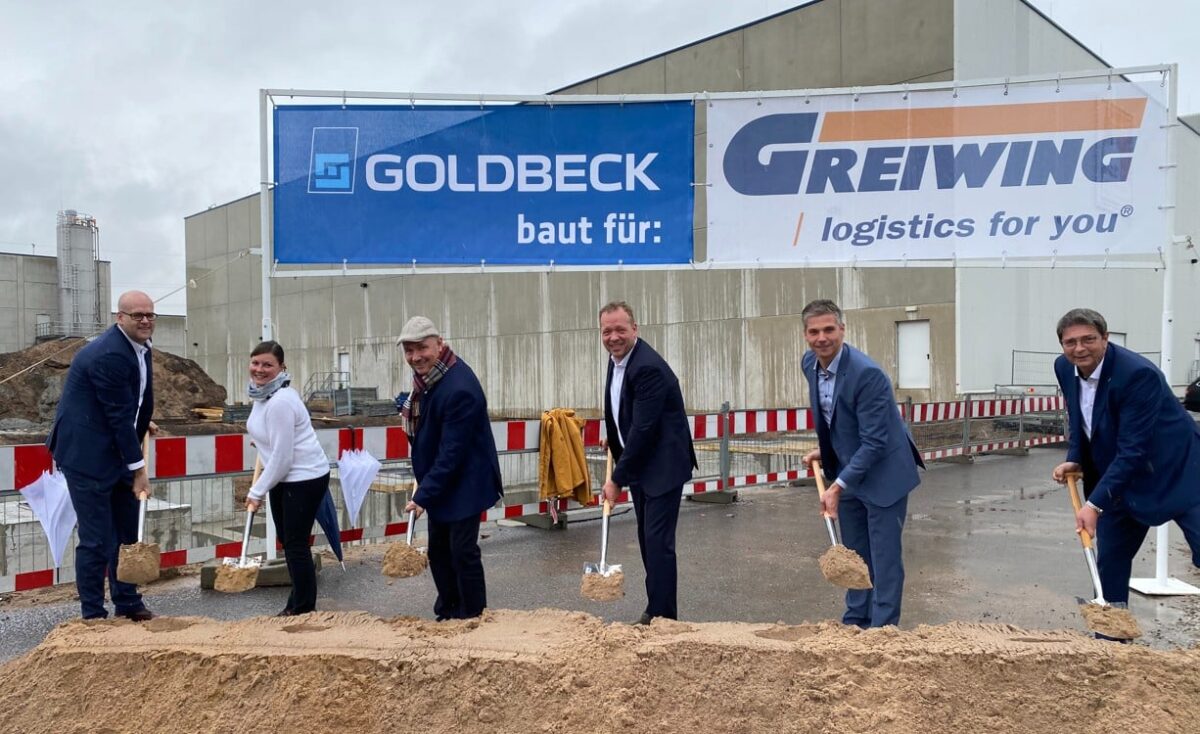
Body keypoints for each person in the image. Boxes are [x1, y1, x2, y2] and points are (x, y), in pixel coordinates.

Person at [1050, 308, 1200, 629]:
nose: (1079, 348)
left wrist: (1093, 505)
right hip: (1118, 476)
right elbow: (1079, 415)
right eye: (1070, 342)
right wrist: (1076, 456)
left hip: (1177, 470)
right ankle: (1112, 642)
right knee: (1111, 562)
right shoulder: (1064, 367)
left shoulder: (1137, 374)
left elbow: (1134, 449)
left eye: (1089, 339)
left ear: (1105, 338)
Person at [800, 299, 923, 628]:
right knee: (855, 553)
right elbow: (837, 417)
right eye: (814, 332)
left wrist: (837, 486)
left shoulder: (867, 375)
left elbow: (875, 441)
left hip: (884, 474)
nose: (822, 338)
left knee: (883, 558)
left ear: (842, 329)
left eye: (829, 329)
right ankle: (856, 621)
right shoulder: (809, 363)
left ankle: (882, 629)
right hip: (849, 468)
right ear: (805, 335)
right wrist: (827, 452)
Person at [47, 290, 158, 621]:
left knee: (126, 531)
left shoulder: (140, 346)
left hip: (114, 445)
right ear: (119, 318)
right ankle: (93, 612)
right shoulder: (109, 354)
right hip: (88, 455)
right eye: (137, 315)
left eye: (150, 314)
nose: (145, 320)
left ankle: (128, 601)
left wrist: (143, 423)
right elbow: (117, 415)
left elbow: (132, 399)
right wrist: (139, 470)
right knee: (96, 538)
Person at [599, 301, 697, 623]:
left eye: (620, 329)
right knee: (647, 540)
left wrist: (616, 479)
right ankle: (657, 608)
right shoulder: (617, 361)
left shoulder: (647, 367)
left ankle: (662, 616)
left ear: (635, 329)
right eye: (607, 331)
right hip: (642, 463)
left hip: (663, 466)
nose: (614, 337)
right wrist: (615, 439)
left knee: (657, 544)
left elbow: (644, 429)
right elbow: (623, 409)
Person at [400, 316, 503, 620]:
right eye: (409, 351)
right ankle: (449, 608)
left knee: (462, 551)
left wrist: (423, 495)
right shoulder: (431, 380)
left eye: (422, 348)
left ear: (439, 344)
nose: (415, 357)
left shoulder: (459, 388)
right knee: (439, 551)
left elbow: (452, 453)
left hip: (466, 481)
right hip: (444, 481)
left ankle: (471, 614)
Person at [243, 340, 331, 616]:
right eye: (255, 363)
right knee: (288, 540)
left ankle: (302, 607)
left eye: (267, 365)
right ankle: (297, 600)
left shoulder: (280, 401)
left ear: (281, 368)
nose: (259, 369)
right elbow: (276, 440)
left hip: (303, 478)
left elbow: (283, 459)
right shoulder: (263, 394)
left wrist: (256, 491)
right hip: (284, 476)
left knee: (295, 543)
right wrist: (263, 442)